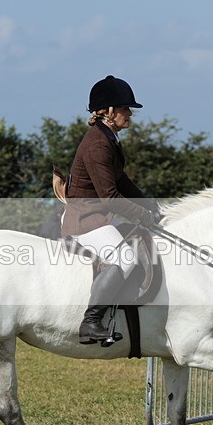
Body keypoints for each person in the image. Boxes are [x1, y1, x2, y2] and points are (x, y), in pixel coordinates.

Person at [61, 75, 159, 342]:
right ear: (110, 111)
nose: (130, 114)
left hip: (98, 216)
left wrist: (148, 203)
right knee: (125, 259)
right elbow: (110, 197)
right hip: (86, 219)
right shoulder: (97, 144)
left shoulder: (109, 138)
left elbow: (121, 180)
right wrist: (144, 215)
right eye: (126, 109)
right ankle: (90, 323)